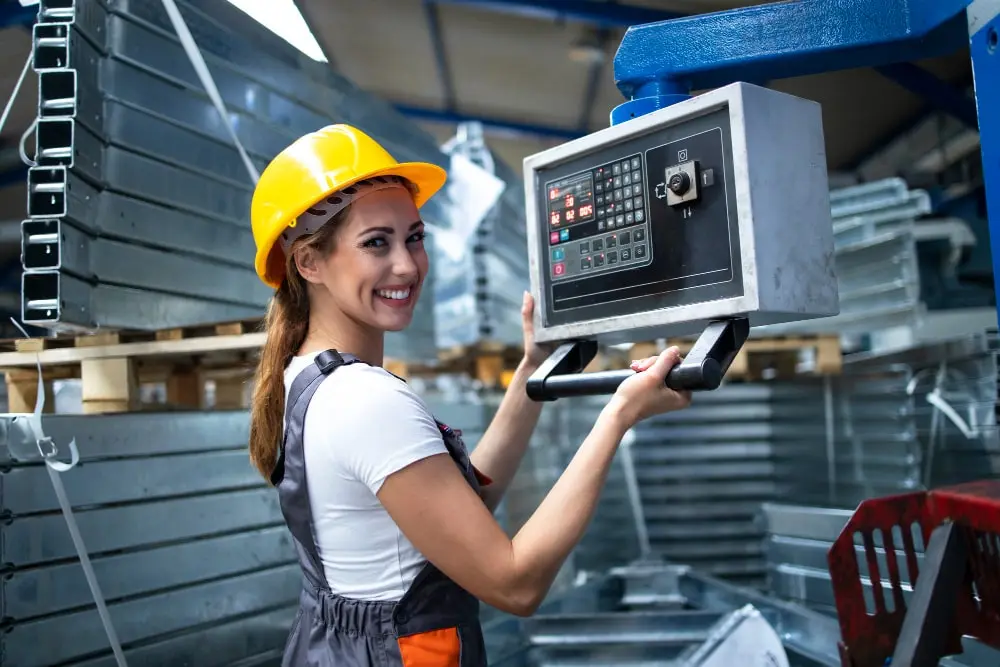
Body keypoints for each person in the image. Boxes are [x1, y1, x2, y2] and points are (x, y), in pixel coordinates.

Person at [248, 124, 692, 667]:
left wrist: (532, 372)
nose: (407, 266)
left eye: (414, 236)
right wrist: (619, 416)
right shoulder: (365, 401)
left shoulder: (308, 380)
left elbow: (458, 517)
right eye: (375, 243)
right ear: (308, 262)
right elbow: (515, 584)